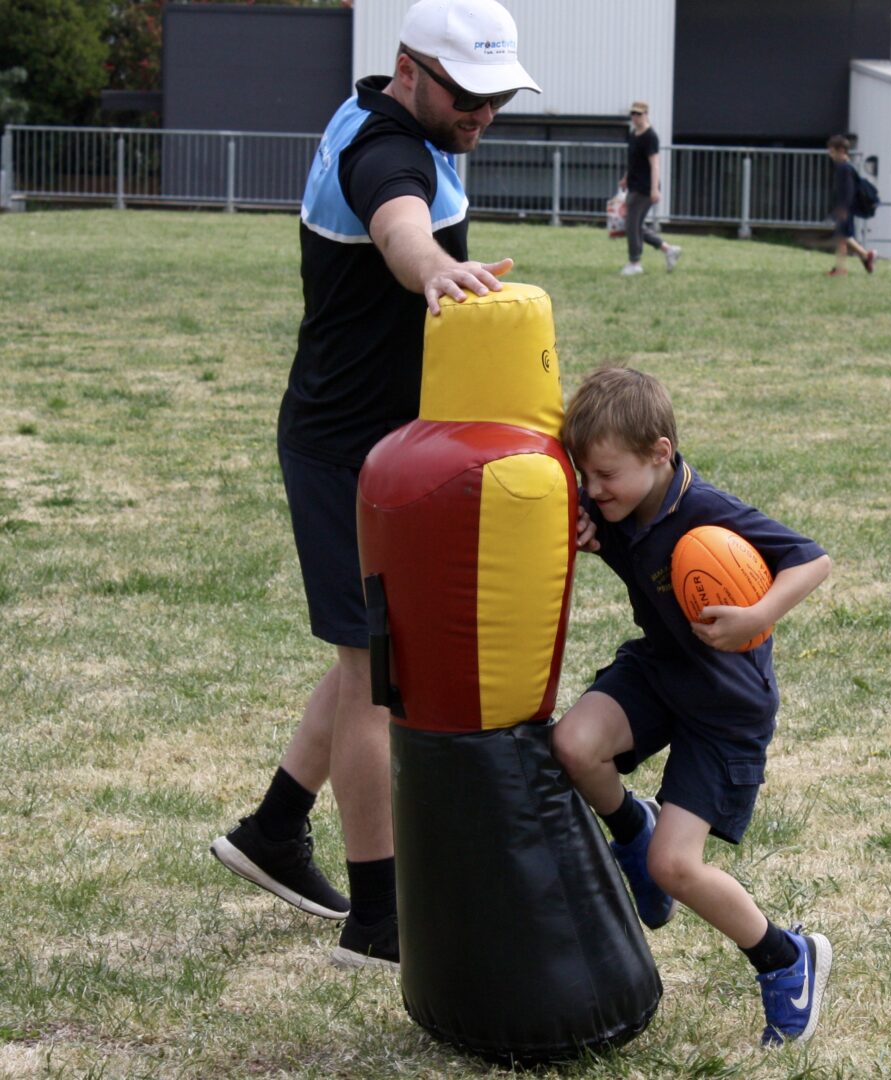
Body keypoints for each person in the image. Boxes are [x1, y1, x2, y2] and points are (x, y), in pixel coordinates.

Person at [210, 0, 540, 971]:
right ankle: (379, 920)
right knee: (372, 679)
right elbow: (400, 228)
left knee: (373, 651)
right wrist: (434, 268)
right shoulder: (384, 149)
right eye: (469, 97)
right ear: (410, 73)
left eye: (497, 102)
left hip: (379, 449)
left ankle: (273, 831)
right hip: (343, 456)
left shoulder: (389, 123)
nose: (482, 116)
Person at [553, 367, 833, 1046]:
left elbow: (813, 560)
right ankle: (631, 825)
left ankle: (787, 958)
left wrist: (756, 615)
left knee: (674, 869)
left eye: (605, 475)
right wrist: (598, 533)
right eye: (585, 476)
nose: (593, 490)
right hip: (662, 670)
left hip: (725, 707)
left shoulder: (706, 511)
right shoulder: (621, 502)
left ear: (660, 452)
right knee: (572, 746)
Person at [619, 101, 682, 276]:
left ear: (646, 114)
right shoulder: (633, 134)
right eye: (633, 113)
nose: (635, 117)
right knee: (635, 224)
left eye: (639, 114)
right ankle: (668, 249)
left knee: (632, 225)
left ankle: (635, 263)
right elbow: (633, 162)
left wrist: (655, 189)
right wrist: (625, 178)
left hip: (645, 188)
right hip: (634, 185)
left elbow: (655, 164)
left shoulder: (650, 136)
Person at [826, 134, 875, 277]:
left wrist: (843, 208)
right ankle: (840, 268)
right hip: (845, 208)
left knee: (843, 236)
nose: (830, 154)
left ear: (841, 151)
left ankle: (866, 256)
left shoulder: (845, 168)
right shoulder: (846, 167)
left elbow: (848, 191)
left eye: (832, 151)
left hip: (845, 208)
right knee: (842, 238)